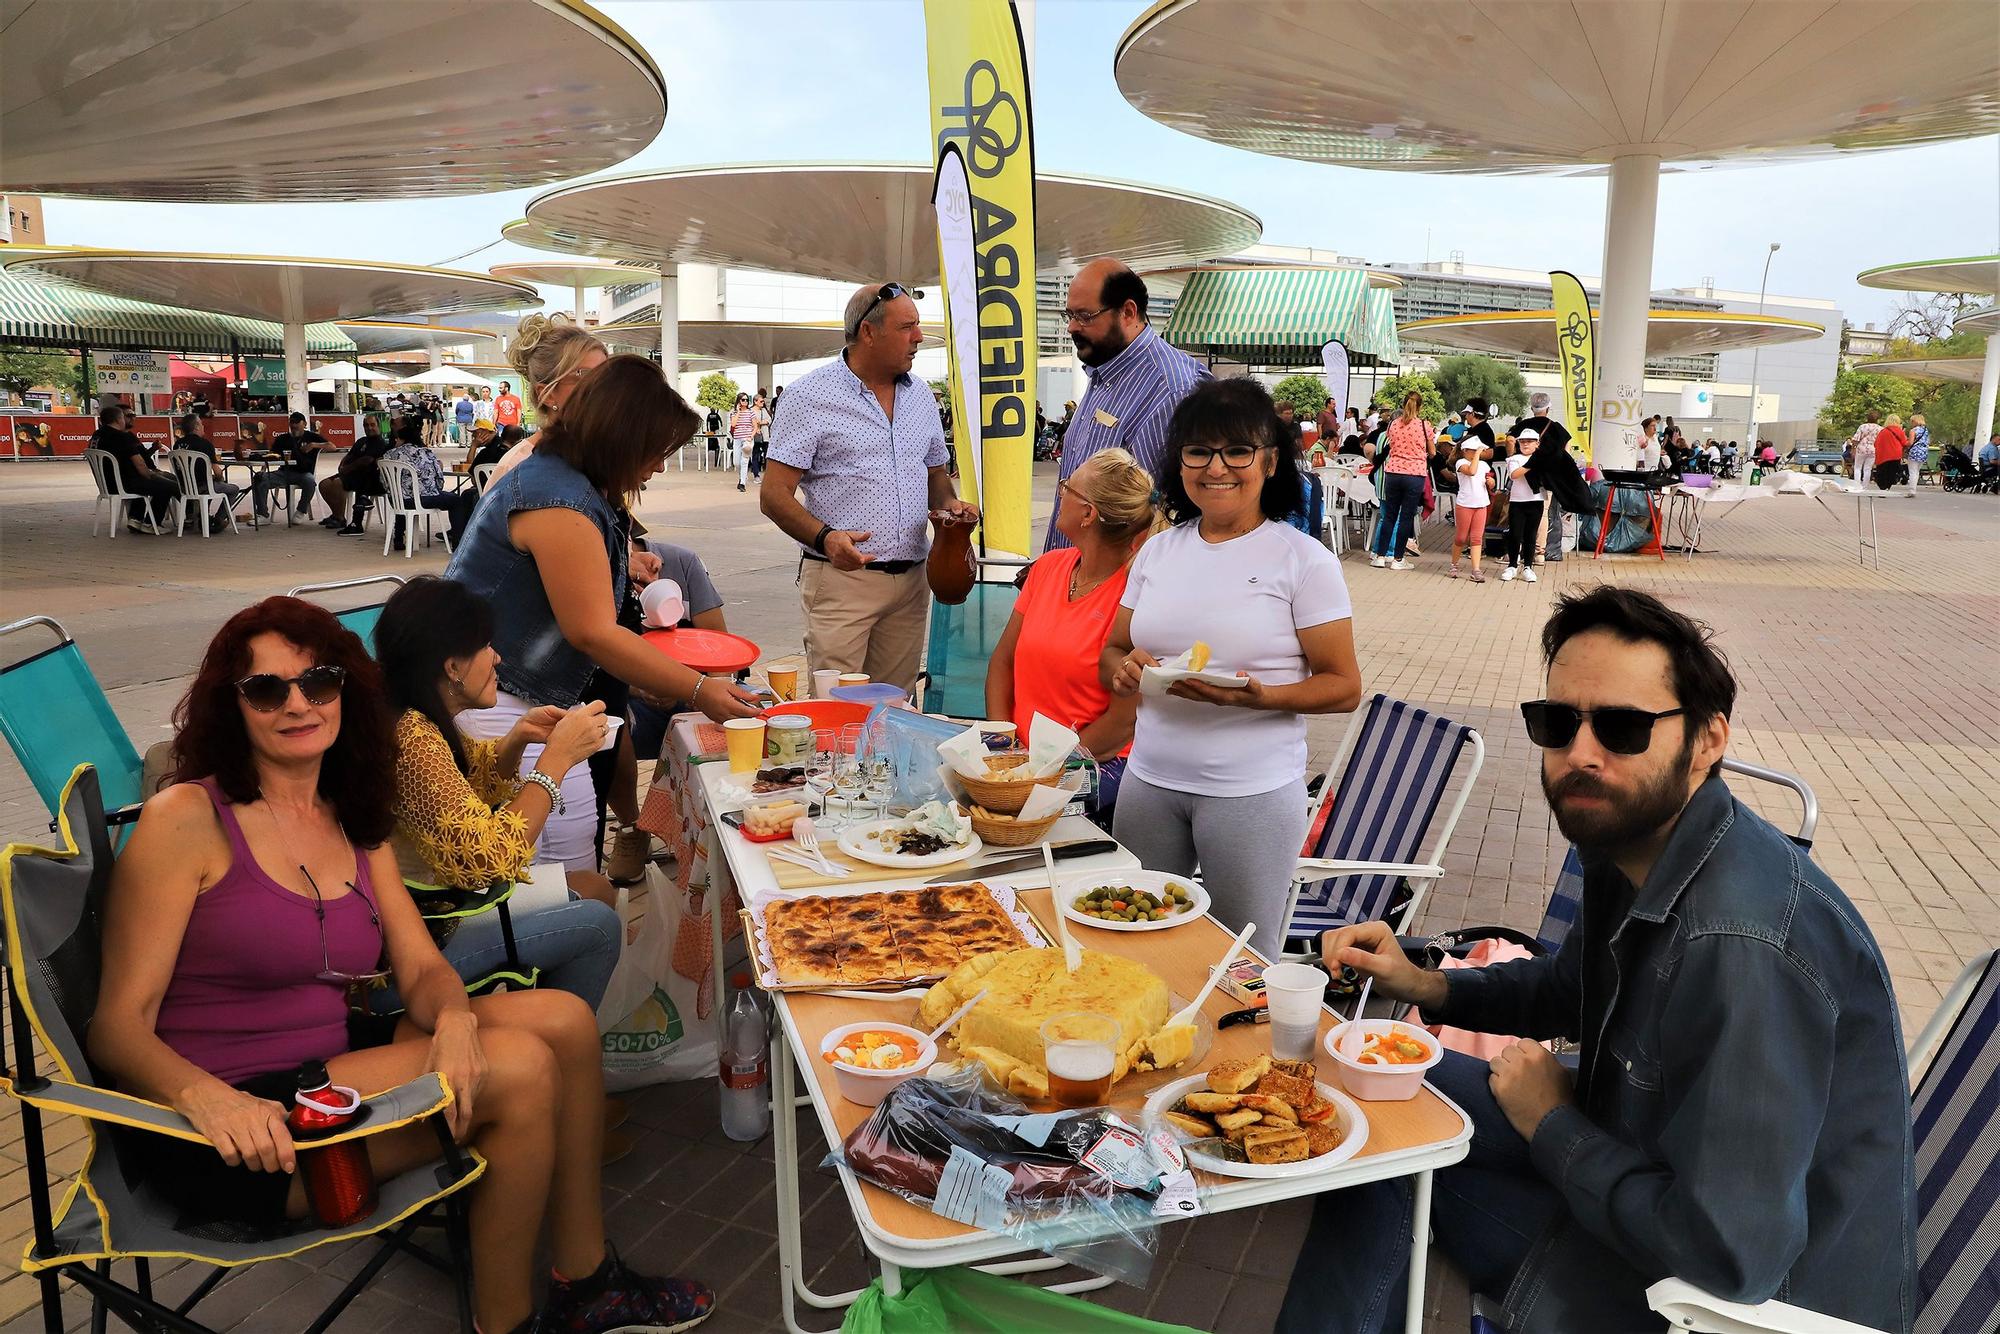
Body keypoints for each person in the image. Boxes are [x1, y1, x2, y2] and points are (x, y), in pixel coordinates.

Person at [1281, 587, 1914, 1334]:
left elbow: (1733, 1255)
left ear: (1707, 741)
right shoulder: (1639, 845)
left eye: (1621, 728)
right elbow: (1566, 988)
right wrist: (1426, 985)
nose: (1581, 754)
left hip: (1722, 1302)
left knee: (1383, 1152)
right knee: (1373, 1093)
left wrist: (1552, 1126)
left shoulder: (1742, 951)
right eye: (1558, 723)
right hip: (1644, 1161)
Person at [90, 596, 718, 1334]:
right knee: (516, 1070)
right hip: (237, 1125)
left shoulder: (352, 813)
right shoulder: (186, 822)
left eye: (318, 682)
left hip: (327, 1068)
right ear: (233, 708)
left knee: (565, 1022)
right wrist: (207, 1099)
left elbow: (420, 967)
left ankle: (585, 1279)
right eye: (267, 689)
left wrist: (452, 1018)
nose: (298, 704)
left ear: (347, 690)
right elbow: (115, 1027)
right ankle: (506, 1324)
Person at [447, 355, 761, 875]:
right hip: (507, 703)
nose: (659, 466)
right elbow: (592, 631)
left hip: (524, 697)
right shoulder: (558, 500)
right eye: (656, 451)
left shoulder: (566, 482)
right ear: (621, 438)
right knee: (566, 886)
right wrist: (700, 690)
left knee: (572, 879)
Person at [1103, 378, 1362, 947]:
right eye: (1198, 451)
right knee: (1137, 945)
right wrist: (1123, 672)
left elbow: (1344, 687)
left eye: (1237, 451)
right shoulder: (1159, 550)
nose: (1216, 467)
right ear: (1179, 462)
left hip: (1251, 793)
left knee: (1242, 957)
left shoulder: (1302, 559)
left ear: (1269, 462)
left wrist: (1261, 697)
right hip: (1149, 783)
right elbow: (1114, 650)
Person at [376, 577, 624, 997]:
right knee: (599, 926)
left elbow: (467, 780)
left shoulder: (414, 716)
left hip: (439, 908)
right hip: (428, 934)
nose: (497, 657)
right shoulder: (413, 740)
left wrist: (518, 738)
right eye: (485, 646)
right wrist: (555, 762)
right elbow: (486, 859)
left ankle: (542, 1020)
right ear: (452, 666)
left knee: (595, 887)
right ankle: (557, 1032)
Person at [761, 281, 980, 692]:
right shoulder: (808, 396)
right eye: (907, 327)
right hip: (843, 582)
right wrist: (825, 538)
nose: (919, 337)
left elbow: (936, 477)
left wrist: (952, 507)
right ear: (869, 332)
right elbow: (773, 496)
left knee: (894, 709)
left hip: (912, 583)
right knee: (838, 710)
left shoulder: (922, 398)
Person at [986, 448, 1154, 829]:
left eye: (1067, 486)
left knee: (1014, 827)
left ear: (1088, 514)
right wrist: (1001, 745)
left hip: (1094, 761)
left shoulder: (1135, 596)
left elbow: (1123, 721)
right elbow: (1002, 662)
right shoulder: (1048, 568)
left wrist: (1041, 769)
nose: (1060, 492)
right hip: (1022, 759)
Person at [1045, 259, 1209, 551]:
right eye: (1069, 314)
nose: (1072, 327)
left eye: (1084, 315)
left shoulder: (1170, 389)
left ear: (1128, 312)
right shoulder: (1105, 371)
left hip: (1119, 588)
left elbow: (1166, 515)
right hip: (1074, 576)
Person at [626, 541, 730, 761]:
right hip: (632, 698)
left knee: (749, 711)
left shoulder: (681, 562)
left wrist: (694, 689)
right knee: (613, 723)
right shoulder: (594, 574)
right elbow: (591, 663)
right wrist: (641, 688)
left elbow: (720, 648)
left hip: (694, 690)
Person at [486, 315, 610, 486]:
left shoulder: (600, 456)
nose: (602, 388)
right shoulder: (518, 467)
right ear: (547, 394)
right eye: (586, 376)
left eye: (605, 376)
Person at [1368, 390, 1434, 569]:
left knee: (1389, 515)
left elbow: (1391, 443)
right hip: (1415, 474)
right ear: (1419, 406)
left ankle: (1380, 556)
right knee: (1406, 517)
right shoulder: (1424, 426)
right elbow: (1433, 452)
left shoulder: (1393, 424)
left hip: (1393, 472)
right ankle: (1398, 559)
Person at [93, 404, 179, 531]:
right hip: (124, 483)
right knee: (167, 486)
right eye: (124, 417)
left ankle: (136, 519)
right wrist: (152, 475)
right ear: (118, 419)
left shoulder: (96, 436)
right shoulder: (121, 437)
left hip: (106, 484)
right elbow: (140, 464)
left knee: (155, 481)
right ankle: (151, 524)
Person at [381, 418, 454, 545]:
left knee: (402, 493)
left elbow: (384, 481)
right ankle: (457, 541)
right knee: (456, 501)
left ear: (400, 438)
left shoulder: (388, 455)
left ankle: (398, 538)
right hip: (424, 500)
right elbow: (439, 481)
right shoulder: (426, 453)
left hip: (397, 501)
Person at [320, 415, 391, 531]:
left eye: (372, 425)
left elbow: (366, 460)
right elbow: (349, 455)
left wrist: (347, 468)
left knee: (337, 484)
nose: (369, 428)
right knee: (324, 484)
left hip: (367, 479)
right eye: (366, 425)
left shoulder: (381, 443)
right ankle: (337, 515)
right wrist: (342, 465)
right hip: (350, 474)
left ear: (378, 426)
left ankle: (341, 519)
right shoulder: (361, 441)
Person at [252, 412, 324, 522]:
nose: (294, 425)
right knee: (260, 478)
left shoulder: (312, 436)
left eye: (296, 422)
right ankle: (262, 515)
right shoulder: (282, 438)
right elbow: (272, 454)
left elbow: (332, 446)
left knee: (310, 482)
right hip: (283, 472)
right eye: (291, 422)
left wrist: (314, 445)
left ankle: (301, 511)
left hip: (303, 473)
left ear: (304, 423)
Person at [174, 412, 245, 511]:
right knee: (233, 489)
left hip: (183, 487)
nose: (203, 426)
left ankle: (201, 517)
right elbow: (217, 471)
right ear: (196, 427)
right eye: (201, 424)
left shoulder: (177, 445)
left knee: (211, 482)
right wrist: (220, 478)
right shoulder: (205, 444)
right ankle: (218, 520)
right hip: (202, 486)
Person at [1499, 428, 1543, 582]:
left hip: (1536, 500)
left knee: (1531, 535)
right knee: (1515, 534)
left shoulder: (1543, 458)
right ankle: (1512, 565)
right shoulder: (1514, 458)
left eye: (1529, 441)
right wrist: (1532, 464)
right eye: (1522, 441)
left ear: (1537, 443)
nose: (1525, 444)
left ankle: (1528, 567)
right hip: (1517, 502)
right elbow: (1514, 474)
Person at [1450, 434, 1496, 580]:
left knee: (1476, 538)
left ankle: (1476, 569)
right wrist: (1477, 454)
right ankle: (1454, 564)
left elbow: (1489, 479)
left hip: (1481, 503)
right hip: (1465, 504)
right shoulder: (1460, 463)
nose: (1478, 452)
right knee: (1461, 537)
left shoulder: (1483, 465)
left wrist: (1491, 482)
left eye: (1478, 450)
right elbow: (1471, 471)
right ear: (1465, 450)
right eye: (1474, 450)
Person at [727, 391, 757, 492]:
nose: (745, 402)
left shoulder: (751, 412)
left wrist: (751, 436)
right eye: (743, 400)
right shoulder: (734, 413)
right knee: (736, 462)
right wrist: (738, 411)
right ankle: (742, 477)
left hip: (747, 440)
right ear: (739, 401)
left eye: (747, 400)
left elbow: (755, 426)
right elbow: (733, 424)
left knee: (744, 461)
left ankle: (742, 483)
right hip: (737, 439)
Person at [1872, 413, 1909, 489]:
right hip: (1895, 455)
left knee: (1882, 472)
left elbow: (1876, 443)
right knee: (1892, 472)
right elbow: (1905, 443)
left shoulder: (1883, 431)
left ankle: (1882, 487)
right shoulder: (1900, 431)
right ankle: (1888, 486)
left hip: (1883, 456)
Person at [1848, 411, 1882, 483]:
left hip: (1861, 449)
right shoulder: (1880, 429)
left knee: (1857, 468)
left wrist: (1853, 448)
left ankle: (1857, 484)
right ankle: (1865, 486)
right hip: (1873, 449)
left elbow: (1855, 439)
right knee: (1868, 468)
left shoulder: (1862, 426)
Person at [750, 389, 772, 480]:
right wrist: (756, 426)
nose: (763, 403)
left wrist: (762, 422)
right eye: (761, 401)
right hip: (756, 436)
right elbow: (750, 422)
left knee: (767, 455)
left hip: (765, 436)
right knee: (755, 455)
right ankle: (756, 474)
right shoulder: (751, 411)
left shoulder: (764, 410)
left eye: (763, 401)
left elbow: (769, 420)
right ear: (755, 402)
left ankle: (767, 475)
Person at [1905, 413, 1929, 485]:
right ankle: (1913, 488)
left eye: (1912, 421)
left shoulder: (1913, 430)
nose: (1911, 423)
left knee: (1912, 472)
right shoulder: (1926, 430)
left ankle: (1912, 490)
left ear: (1916, 421)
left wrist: (1905, 443)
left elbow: (1910, 443)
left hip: (1914, 452)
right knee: (1917, 471)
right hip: (1923, 452)